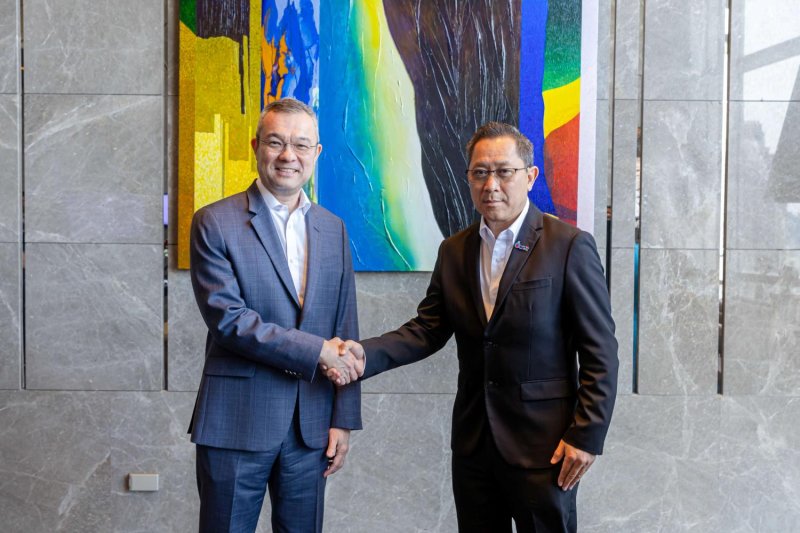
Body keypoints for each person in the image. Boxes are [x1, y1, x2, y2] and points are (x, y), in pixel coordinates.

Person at [339, 122, 619, 532]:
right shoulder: (455, 250)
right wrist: (364, 355)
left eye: (504, 171)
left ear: (530, 176)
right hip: (474, 446)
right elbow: (428, 329)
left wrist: (586, 435)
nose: (491, 184)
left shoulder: (569, 246)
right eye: (479, 173)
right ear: (468, 178)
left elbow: (601, 352)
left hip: (546, 448)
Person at [188, 97, 363, 533]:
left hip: (311, 426)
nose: (289, 156)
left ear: (317, 153)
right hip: (235, 422)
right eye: (276, 142)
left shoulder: (333, 227)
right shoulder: (214, 222)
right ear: (255, 146)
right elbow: (229, 321)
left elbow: (346, 326)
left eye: (302, 145)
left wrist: (343, 418)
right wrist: (319, 351)